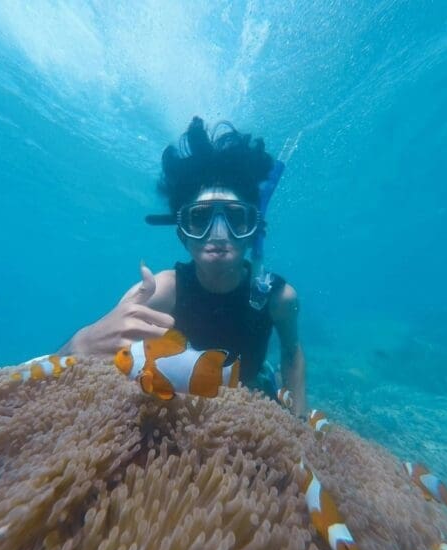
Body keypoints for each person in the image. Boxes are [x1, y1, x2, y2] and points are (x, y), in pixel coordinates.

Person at [60, 117, 308, 417]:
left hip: (252, 388)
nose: (218, 233)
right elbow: (105, 354)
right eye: (201, 219)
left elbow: (292, 354)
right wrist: (80, 343)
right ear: (182, 231)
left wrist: (301, 422)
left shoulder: (279, 298)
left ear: (254, 229)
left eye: (236, 218)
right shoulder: (160, 291)